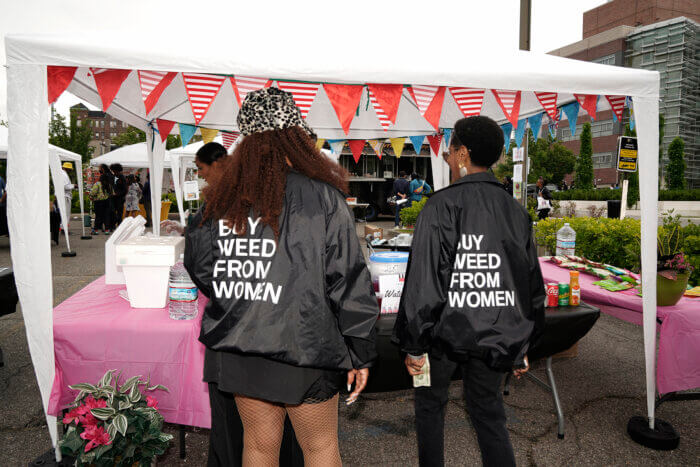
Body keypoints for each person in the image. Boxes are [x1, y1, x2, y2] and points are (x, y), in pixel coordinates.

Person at [184, 87, 379, 467]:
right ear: (295, 135)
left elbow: (202, 265)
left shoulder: (219, 200)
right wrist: (361, 350)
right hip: (305, 345)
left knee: (257, 447)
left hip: (241, 344)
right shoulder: (323, 197)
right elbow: (348, 279)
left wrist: (245, 293)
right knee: (320, 448)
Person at [393, 116, 545, 467]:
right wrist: (523, 343)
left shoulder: (440, 205)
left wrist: (414, 344)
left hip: (442, 333)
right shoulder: (515, 211)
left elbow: (424, 282)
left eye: (450, 150)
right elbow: (529, 285)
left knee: (430, 408)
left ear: (463, 153)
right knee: (489, 413)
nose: (447, 157)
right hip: (495, 331)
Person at [90, 166, 113, 235]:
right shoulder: (109, 185)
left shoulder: (97, 184)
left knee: (98, 216)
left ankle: (96, 230)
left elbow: (93, 193)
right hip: (107, 202)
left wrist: (91, 196)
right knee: (106, 216)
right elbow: (112, 193)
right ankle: (107, 230)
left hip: (98, 202)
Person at [109, 163, 127, 227]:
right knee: (112, 211)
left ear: (117, 170)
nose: (113, 172)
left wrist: (118, 194)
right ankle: (113, 224)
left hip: (120, 198)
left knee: (119, 212)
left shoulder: (122, 177)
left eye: (114, 170)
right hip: (113, 198)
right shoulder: (112, 177)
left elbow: (125, 189)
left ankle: (119, 225)